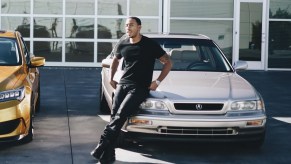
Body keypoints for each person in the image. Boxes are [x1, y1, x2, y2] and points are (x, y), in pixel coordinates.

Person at [90, 17, 172, 163]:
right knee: (114, 117)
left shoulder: (150, 44)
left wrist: (157, 81)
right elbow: (116, 59)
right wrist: (111, 77)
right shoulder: (123, 43)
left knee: (121, 115)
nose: (128, 28)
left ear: (139, 27)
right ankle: (108, 156)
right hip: (123, 84)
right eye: (126, 25)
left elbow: (168, 62)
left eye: (131, 25)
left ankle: (102, 145)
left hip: (140, 87)